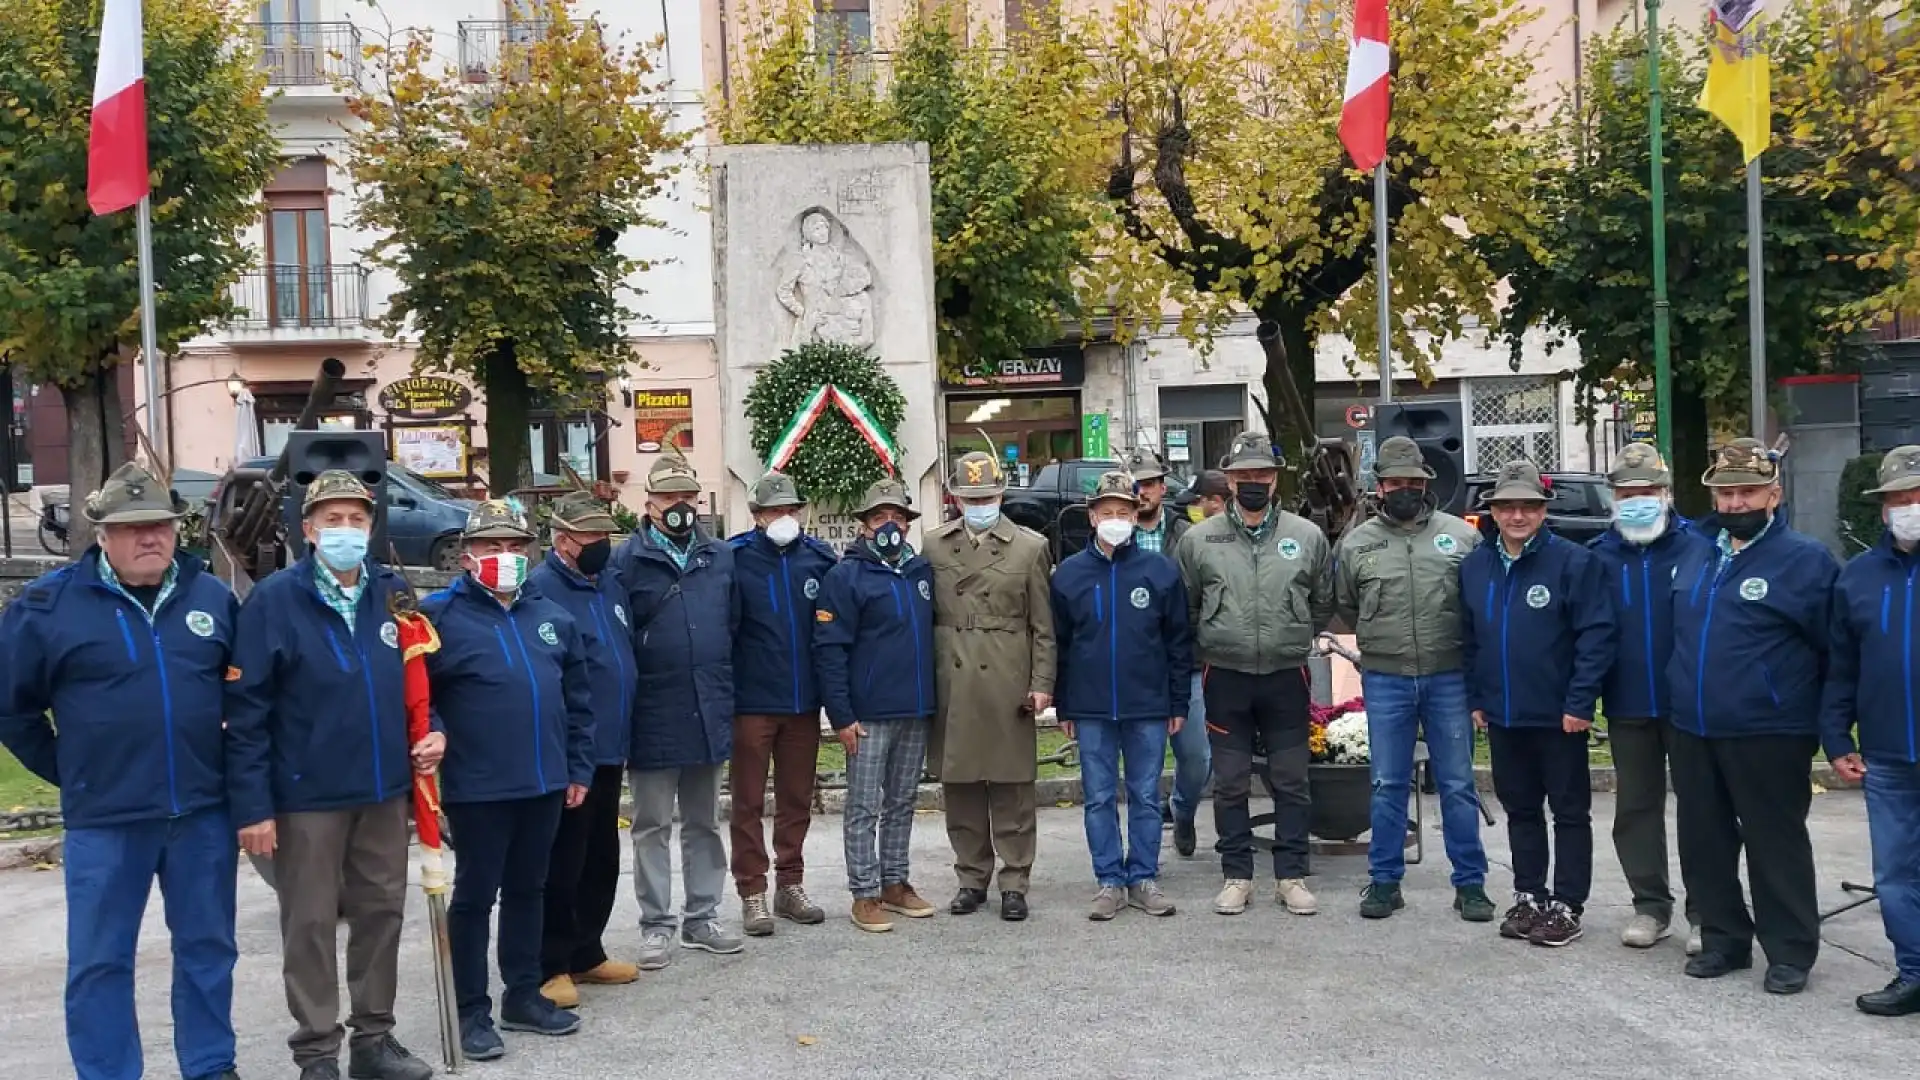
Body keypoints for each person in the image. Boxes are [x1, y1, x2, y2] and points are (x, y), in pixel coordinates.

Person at [0, 463, 241, 1080]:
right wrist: (72, 770)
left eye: (159, 525)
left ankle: (211, 1066)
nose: (148, 538)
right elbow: (12, 707)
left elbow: (242, 697)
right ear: (101, 535)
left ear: (175, 529)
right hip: (106, 820)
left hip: (200, 813)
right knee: (101, 961)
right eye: (131, 529)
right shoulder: (48, 608)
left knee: (207, 951)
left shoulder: (211, 596)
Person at [225, 471, 441, 1080]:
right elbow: (245, 715)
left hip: (383, 792)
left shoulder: (393, 593)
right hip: (306, 798)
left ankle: (374, 1042)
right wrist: (253, 807)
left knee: (381, 916)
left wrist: (435, 729)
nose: (345, 531)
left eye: (356, 520)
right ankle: (317, 1052)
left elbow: (421, 679)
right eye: (332, 520)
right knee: (311, 926)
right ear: (308, 530)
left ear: (371, 528)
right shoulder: (274, 601)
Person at [421, 500, 594, 1061]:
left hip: (544, 781)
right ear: (468, 554)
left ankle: (523, 993)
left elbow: (578, 701)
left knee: (529, 890)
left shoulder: (551, 616)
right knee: (474, 897)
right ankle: (471, 1010)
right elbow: (419, 701)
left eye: (515, 547)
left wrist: (578, 766)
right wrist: (436, 733)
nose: (505, 557)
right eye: (492, 546)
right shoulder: (439, 617)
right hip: (478, 787)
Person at [1668, 438, 1838, 995]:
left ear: (1774, 493)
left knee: (1774, 842)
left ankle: (1789, 951)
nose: (1735, 502)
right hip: (1693, 725)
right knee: (1703, 840)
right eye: (1725, 492)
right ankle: (1723, 940)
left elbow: (1829, 649)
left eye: (1747, 492)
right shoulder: (1695, 550)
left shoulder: (1805, 560)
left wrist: (1823, 723)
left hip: (1770, 728)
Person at [1174, 431, 1334, 917]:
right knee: (1229, 782)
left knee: (1291, 781)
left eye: (1262, 475)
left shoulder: (1305, 536)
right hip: (1226, 676)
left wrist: (1290, 632)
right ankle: (1237, 875)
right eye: (1244, 476)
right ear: (1229, 479)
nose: (1253, 483)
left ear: (1275, 478)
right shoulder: (1199, 539)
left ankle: (1292, 876)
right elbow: (1189, 605)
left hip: (1286, 674)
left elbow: (1322, 602)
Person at [1333, 436, 1492, 923]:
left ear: (1426, 484)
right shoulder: (1357, 543)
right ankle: (1384, 882)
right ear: (1379, 487)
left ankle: (1471, 885)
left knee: (1458, 783)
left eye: (1413, 482)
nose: (1404, 489)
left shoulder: (1462, 537)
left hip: (1449, 676)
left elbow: (1479, 603)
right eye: (1395, 481)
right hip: (1386, 676)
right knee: (1385, 782)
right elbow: (1346, 605)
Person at [1459, 459, 1613, 948]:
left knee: (1569, 812)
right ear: (1494, 512)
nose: (1518, 515)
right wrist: (1478, 697)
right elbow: (1469, 639)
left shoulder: (1572, 562)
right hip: (1504, 712)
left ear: (1543, 510)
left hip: (1558, 715)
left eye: (1528, 506)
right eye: (1508, 507)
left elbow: (1596, 635)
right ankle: (1529, 894)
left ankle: (1567, 904)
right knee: (1521, 809)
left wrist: (1580, 701)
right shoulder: (1476, 566)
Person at [609, 452, 743, 966]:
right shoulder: (626, 560)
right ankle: (656, 924)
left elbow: (731, 625)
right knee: (650, 825)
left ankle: (702, 916)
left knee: (705, 820)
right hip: (652, 707)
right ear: (649, 505)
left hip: (707, 701)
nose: (680, 506)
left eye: (687, 496)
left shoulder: (719, 556)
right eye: (669, 498)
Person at [1052, 470, 1192, 920]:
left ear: (1136, 516)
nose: (1115, 518)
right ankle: (1109, 880)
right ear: (1092, 517)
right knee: (1097, 796)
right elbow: (1060, 644)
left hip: (1148, 705)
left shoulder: (1160, 571)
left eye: (1124, 512)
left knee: (1146, 795)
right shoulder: (1070, 574)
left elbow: (1178, 643)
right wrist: (1064, 703)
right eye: (1107, 511)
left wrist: (1177, 703)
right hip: (1091, 707)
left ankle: (1144, 877)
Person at [1585, 442, 1709, 953]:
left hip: (1691, 705)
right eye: (1626, 493)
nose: (1637, 500)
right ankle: (1650, 907)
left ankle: (1707, 911)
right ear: (1613, 498)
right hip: (1628, 703)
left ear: (1666, 493)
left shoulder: (1701, 546)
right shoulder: (1598, 557)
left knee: (1703, 810)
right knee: (1636, 808)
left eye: (1647, 492)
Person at [925, 450, 1057, 921]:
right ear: (956, 498)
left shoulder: (1030, 547)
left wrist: (1043, 682)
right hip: (953, 677)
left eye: (988, 495)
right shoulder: (934, 545)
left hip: (1007, 676)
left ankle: (1015, 880)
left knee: (1012, 784)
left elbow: (1043, 625)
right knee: (959, 783)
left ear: (1002, 494)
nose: (979, 503)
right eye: (970, 496)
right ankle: (971, 878)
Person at [526, 492, 639, 1010]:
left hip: (611, 743)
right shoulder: (540, 590)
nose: (602, 546)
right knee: (563, 858)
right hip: (571, 747)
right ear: (564, 540)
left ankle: (587, 950)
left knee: (602, 855)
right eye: (592, 538)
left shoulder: (609, 583)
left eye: (605, 537)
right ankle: (551, 963)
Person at [813, 477, 940, 932]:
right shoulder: (845, 576)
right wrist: (841, 714)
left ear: (907, 523)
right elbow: (829, 649)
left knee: (902, 802)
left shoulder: (921, 571)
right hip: (867, 714)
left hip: (915, 709)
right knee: (864, 806)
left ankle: (895, 882)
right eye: (880, 517)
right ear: (865, 525)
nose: (889, 524)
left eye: (897, 517)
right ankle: (864, 893)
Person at [1822, 445, 1920, 1017]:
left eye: (1916, 497)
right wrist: (1836, 737)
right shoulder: (1857, 578)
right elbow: (1842, 666)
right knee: (1896, 873)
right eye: (1898, 500)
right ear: (1882, 509)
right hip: (1887, 754)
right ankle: (1913, 971)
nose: (1908, 508)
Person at [728, 472, 837, 935]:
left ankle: (789, 884)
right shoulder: (732, 559)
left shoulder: (819, 559)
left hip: (802, 702)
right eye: (775, 511)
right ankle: (752, 890)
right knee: (748, 801)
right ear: (756, 516)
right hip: (751, 701)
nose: (784, 518)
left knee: (796, 798)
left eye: (791, 510)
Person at [1161, 466, 1230, 855]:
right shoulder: (1188, 538)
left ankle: (1182, 808)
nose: (1190, 512)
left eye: (1198, 504)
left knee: (1197, 757)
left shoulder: (1198, 537)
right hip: (1157, 662)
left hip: (1196, 660)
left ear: (1216, 503)